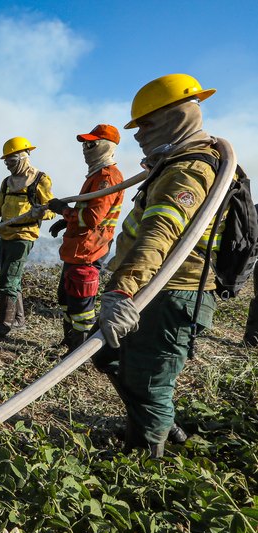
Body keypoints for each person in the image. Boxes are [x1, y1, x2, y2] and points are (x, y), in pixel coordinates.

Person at [97, 74, 223, 457]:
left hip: (172, 295)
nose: (137, 135)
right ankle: (157, 423)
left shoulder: (187, 170)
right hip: (155, 290)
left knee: (150, 382)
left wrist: (122, 289)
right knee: (109, 356)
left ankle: (145, 463)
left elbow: (159, 234)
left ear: (174, 116)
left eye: (145, 125)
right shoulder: (175, 162)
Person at [47, 125, 125, 353]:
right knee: (66, 297)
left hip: (89, 252)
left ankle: (76, 354)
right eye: (84, 144)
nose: (85, 149)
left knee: (81, 305)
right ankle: (69, 342)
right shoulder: (96, 175)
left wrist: (63, 210)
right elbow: (89, 212)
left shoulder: (107, 177)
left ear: (105, 146)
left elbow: (92, 218)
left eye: (90, 144)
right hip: (78, 248)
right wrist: (67, 221)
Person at [0, 136, 55, 337]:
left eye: (11, 162)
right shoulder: (7, 182)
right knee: (12, 278)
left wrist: (41, 213)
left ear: (23, 158)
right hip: (6, 234)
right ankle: (18, 319)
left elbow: (52, 209)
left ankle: (3, 326)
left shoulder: (40, 179)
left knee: (8, 280)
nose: (7, 166)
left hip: (23, 236)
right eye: (6, 162)